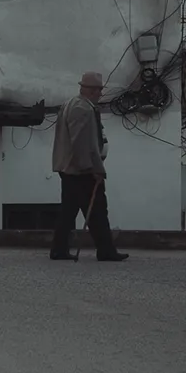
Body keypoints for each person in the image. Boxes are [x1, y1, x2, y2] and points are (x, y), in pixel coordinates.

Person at [49, 71, 128, 261]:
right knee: (98, 210)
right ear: (92, 90)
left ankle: (59, 250)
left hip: (70, 168)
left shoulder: (72, 104)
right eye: (98, 90)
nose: (100, 94)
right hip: (80, 170)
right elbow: (81, 142)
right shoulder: (82, 109)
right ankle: (105, 250)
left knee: (70, 210)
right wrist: (91, 169)